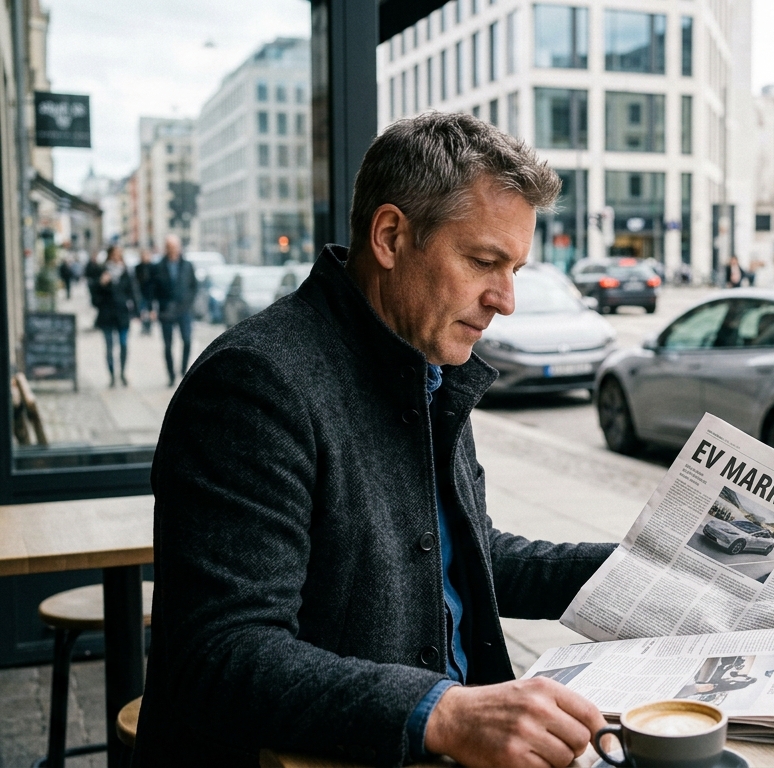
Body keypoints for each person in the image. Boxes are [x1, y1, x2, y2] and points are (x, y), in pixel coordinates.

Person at [134, 113, 616, 768]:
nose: (505, 299)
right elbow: (222, 652)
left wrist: (636, 571)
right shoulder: (254, 386)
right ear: (390, 235)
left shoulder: (426, 362)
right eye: (483, 261)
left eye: (516, 270)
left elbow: (462, 553)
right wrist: (442, 711)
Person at [149, 234, 197, 386]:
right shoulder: (158, 267)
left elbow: (194, 286)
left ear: (179, 247)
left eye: (175, 247)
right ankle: (170, 375)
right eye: (170, 247)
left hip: (184, 310)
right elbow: (152, 289)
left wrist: (188, 303)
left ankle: (183, 371)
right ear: (166, 248)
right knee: (168, 345)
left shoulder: (187, 265)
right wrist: (152, 308)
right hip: (165, 310)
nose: (173, 250)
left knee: (187, 341)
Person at [91, 245, 140, 387]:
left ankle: (122, 373)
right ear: (109, 256)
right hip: (106, 315)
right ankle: (112, 375)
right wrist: (101, 283)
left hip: (122, 315)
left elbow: (133, 292)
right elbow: (94, 296)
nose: (116, 258)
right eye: (114, 255)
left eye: (119, 255)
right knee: (109, 346)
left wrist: (136, 312)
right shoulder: (102, 271)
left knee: (124, 345)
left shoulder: (126, 272)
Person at [134, 249, 155, 334]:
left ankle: (148, 327)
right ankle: (143, 326)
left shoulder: (152, 266)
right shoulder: (138, 267)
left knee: (150, 310)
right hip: (141, 292)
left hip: (150, 292)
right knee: (142, 311)